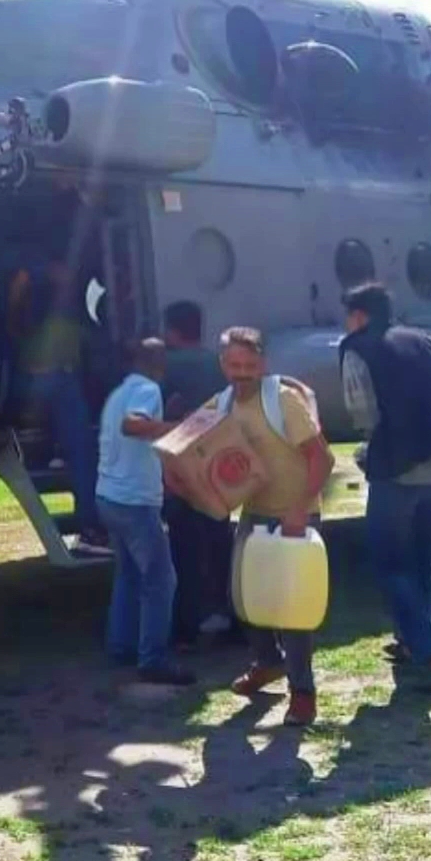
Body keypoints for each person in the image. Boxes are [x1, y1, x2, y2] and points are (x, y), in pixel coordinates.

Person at [338, 282, 431, 681]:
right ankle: (410, 638)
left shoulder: (357, 348)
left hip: (394, 472)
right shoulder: (427, 341)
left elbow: (363, 413)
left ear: (359, 315)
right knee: (422, 557)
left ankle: (430, 647)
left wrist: (375, 448)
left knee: (389, 563)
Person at [218, 328, 336, 726]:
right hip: (254, 513)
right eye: (235, 365)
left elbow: (323, 459)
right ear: (223, 365)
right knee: (245, 598)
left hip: (295, 516)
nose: (242, 373)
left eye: (250, 366)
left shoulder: (282, 400)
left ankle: (303, 693)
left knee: (293, 612)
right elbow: (191, 437)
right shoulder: (221, 403)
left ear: (263, 365)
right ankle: (268, 663)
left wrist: (301, 508)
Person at [97, 338, 194, 686]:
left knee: (129, 576)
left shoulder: (116, 394)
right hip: (134, 502)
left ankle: (120, 645)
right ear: (158, 362)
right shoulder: (148, 389)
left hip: (108, 497)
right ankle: (153, 658)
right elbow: (133, 425)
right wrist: (179, 429)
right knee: (160, 580)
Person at [10, 253, 107, 552]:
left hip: (29, 382)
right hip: (60, 381)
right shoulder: (69, 318)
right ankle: (91, 527)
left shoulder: (23, 319)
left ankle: (53, 450)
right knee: (83, 451)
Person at [158, 301, 236, 646]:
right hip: (216, 468)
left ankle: (187, 623)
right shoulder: (216, 366)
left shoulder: (167, 367)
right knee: (219, 542)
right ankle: (228, 614)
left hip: (181, 470)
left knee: (184, 548)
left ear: (172, 331)